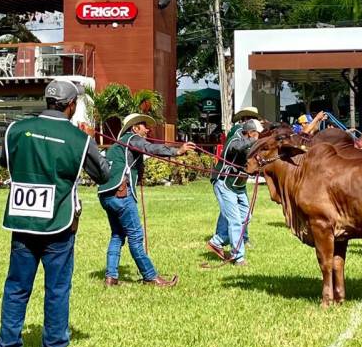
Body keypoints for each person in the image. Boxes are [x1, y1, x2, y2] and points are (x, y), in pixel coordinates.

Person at [0, 79, 110, 347]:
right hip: (59, 223)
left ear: (47, 101)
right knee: (57, 290)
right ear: (71, 106)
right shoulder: (77, 138)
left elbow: (3, 160)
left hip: (22, 222)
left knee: (16, 289)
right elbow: (104, 175)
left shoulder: (16, 130)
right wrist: (89, 141)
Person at [98, 113, 195, 287]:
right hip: (122, 195)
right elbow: (150, 148)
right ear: (134, 128)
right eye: (144, 125)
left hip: (106, 195)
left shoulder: (118, 145)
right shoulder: (133, 139)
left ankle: (111, 277)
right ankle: (150, 277)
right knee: (135, 238)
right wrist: (177, 151)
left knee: (117, 235)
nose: (147, 129)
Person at [206, 119, 263, 266]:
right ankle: (238, 257)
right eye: (257, 134)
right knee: (235, 221)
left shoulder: (249, 141)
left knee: (246, 217)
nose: (259, 138)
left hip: (239, 185)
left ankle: (216, 241)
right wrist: (255, 142)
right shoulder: (235, 139)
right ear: (250, 133)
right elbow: (237, 148)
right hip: (224, 183)